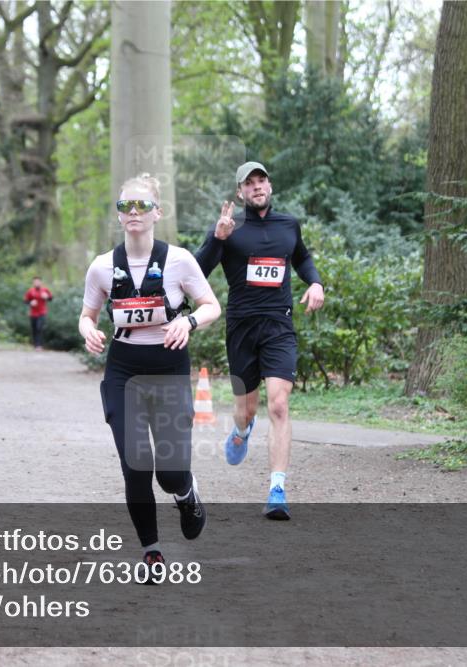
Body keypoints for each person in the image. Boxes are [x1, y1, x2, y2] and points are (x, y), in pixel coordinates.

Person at [79, 173, 221, 577]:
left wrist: (189, 323)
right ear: (119, 215)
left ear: (158, 212)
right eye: (126, 206)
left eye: (142, 205)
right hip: (124, 370)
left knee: (170, 472)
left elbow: (211, 305)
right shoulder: (103, 267)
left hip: (168, 368)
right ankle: (152, 552)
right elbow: (87, 315)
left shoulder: (179, 260)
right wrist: (89, 330)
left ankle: (186, 493)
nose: (134, 212)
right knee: (136, 465)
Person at [195, 161, 324, 520]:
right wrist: (216, 239)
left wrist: (315, 282)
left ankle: (277, 488)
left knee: (279, 405)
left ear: (269, 185)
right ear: (240, 192)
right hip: (241, 328)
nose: (256, 187)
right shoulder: (228, 228)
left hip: (279, 326)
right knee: (246, 410)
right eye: (248, 183)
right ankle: (241, 430)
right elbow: (197, 272)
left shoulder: (288, 225)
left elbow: (302, 258)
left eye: (261, 180)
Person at [23, 277, 53, 350]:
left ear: (40, 282)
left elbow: (51, 298)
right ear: (33, 283)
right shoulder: (30, 291)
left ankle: (39, 345)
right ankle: (35, 344)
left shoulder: (45, 290)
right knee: (34, 329)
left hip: (42, 312)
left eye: (38, 282)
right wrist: (30, 302)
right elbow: (25, 301)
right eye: (35, 282)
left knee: (39, 328)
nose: (36, 283)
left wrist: (47, 297)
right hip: (33, 314)